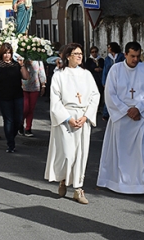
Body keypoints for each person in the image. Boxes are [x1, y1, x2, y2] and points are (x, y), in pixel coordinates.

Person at [97, 41, 144, 199]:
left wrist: (138, 109)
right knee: (121, 153)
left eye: (138, 56)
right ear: (125, 55)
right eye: (132, 56)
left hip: (139, 118)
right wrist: (125, 110)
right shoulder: (116, 69)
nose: (135, 59)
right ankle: (120, 183)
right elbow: (110, 94)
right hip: (121, 118)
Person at [45, 43, 100, 204]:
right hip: (66, 118)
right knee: (68, 154)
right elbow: (55, 100)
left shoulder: (87, 75)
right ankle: (63, 179)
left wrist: (86, 116)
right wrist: (68, 118)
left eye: (81, 53)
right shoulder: (59, 76)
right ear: (68, 56)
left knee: (81, 154)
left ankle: (78, 188)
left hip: (83, 117)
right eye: (76, 53)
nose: (79, 56)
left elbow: (95, 96)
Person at [0, 43, 29, 153]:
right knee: (9, 120)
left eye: (9, 53)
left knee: (18, 120)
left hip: (17, 95)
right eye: (5, 53)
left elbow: (26, 77)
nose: (7, 55)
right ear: (1, 54)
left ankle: (11, 137)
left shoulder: (16, 64)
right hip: (3, 97)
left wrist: (22, 65)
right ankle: (10, 144)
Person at [20, 58, 46, 137]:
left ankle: (28, 128)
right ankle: (20, 124)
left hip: (35, 86)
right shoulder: (22, 58)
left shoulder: (38, 60)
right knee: (25, 108)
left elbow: (41, 72)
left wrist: (43, 85)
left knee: (31, 109)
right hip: (23, 87)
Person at [101, 42, 124, 120]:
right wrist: (104, 81)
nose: (108, 49)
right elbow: (105, 70)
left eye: (109, 47)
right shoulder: (107, 58)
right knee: (109, 95)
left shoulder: (121, 56)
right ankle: (106, 114)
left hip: (120, 78)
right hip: (110, 79)